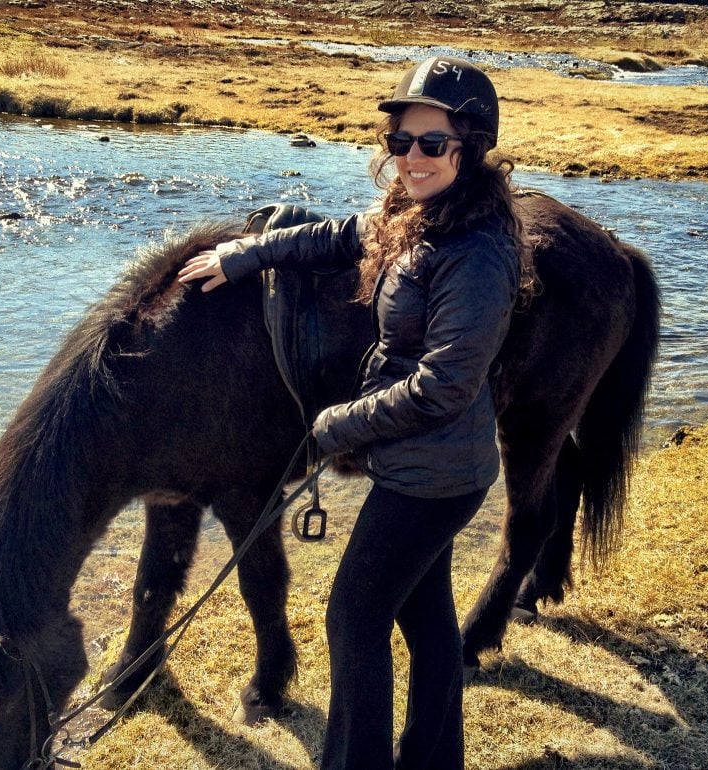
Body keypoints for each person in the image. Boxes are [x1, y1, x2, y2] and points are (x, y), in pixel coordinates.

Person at [178, 57, 535, 770]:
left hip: (432, 475)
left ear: (470, 146)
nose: (411, 158)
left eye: (431, 143)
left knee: (352, 618)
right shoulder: (417, 214)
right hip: (429, 463)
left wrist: (333, 427)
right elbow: (338, 236)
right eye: (400, 141)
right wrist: (244, 254)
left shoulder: (477, 252)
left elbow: (443, 386)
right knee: (425, 617)